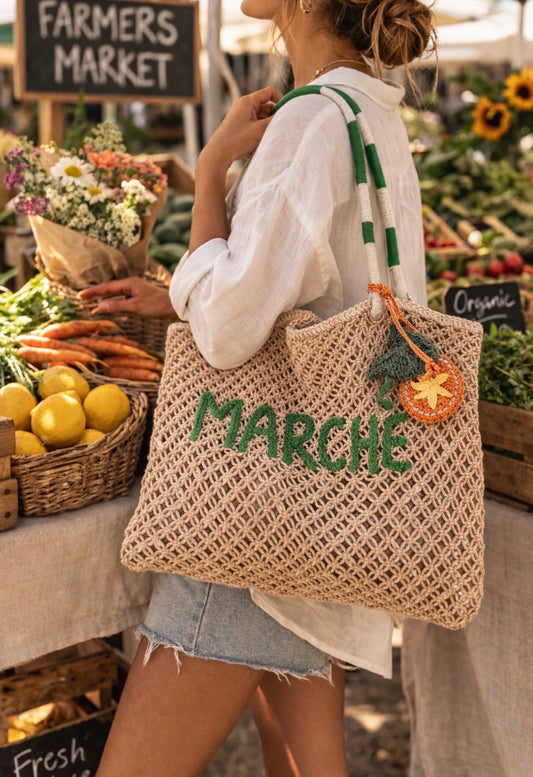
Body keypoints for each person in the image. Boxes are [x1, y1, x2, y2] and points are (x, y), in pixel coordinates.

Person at [94, 1, 435, 775]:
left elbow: (224, 328)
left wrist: (212, 168)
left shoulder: (312, 119)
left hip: (253, 521)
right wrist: (185, 288)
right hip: (333, 499)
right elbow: (314, 284)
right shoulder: (370, 108)